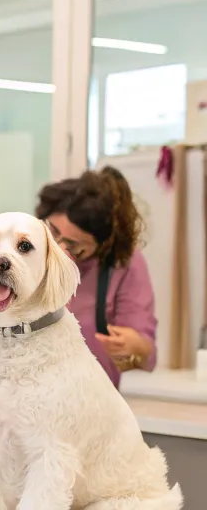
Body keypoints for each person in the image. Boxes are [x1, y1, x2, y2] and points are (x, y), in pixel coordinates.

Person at [36, 166, 157, 388]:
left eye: (73, 246)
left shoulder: (124, 263)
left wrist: (132, 347)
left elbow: (146, 354)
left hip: (91, 397)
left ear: (103, 244)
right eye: (52, 232)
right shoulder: (24, 252)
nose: (58, 250)